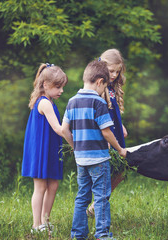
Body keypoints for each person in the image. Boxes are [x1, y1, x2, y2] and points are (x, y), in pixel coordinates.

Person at [62, 59, 127, 240]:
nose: (103, 91)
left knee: (82, 196)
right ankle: (102, 234)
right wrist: (120, 149)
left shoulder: (72, 102)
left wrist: (76, 147)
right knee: (101, 197)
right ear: (99, 81)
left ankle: (77, 235)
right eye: (104, 87)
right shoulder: (98, 103)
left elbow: (64, 130)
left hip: (81, 159)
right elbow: (106, 132)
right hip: (99, 159)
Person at [21, 63, 68, 234]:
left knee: (53, 185)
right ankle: (36, 225)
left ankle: (45, 221)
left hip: (50, 148)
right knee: (40, 187)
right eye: (58, 87)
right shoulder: (44, 103)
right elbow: (58, 128)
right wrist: (74, 142)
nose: (61, 90)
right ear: (45, 85)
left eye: (62, 86)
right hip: (41, 150)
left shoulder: (49, 101)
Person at [87, 49, 128, 217]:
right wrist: (108, 138)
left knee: (120, 170)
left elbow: (113, 111)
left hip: (114, 130)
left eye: (117, 72)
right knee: (103, 173)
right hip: (103, 134)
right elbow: (97, 114)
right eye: (111, 71)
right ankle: (96, 207)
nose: (114, 74)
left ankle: (97, 205)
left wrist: (120, 125)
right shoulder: (97, 87)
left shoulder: (112, 86)